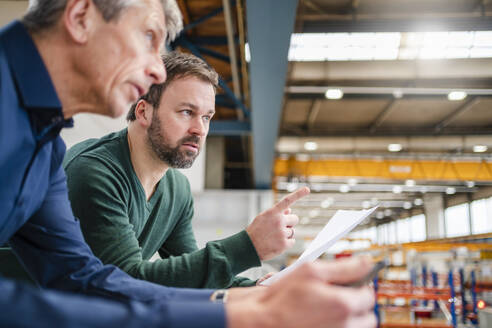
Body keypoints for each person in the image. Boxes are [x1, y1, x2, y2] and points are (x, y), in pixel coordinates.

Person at [0, 0, 377, 327]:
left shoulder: (44, 147)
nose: (157, 71)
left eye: (207, 117)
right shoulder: (84, 165)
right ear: (82, 16)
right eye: (148, 38)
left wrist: (256, 301)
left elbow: (86, 279)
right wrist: (249, 304)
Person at [62, 51, 303, 289]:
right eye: (187, 112)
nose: (200, 129)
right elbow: (125, 281)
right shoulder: (94, 172)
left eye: (207, 117)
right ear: (143, 111)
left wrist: (256, 288)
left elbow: (190, 276)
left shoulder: (177, 188)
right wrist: (248, 246)